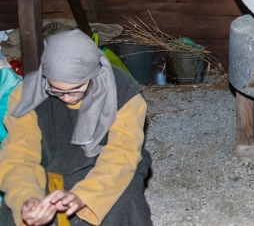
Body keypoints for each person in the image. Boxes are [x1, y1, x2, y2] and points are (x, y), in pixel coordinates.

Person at [0, 30, 152, 226]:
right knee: (17, 215)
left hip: (105, 170)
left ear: (93, 75)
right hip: (49, 170)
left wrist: (84, 197)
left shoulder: (124, 93)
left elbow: (122, 154)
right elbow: (19, 155)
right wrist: (28, 198)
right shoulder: (26, 96)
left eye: (76, 90)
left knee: (124, 205)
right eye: (56, 90)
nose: (66, 97)